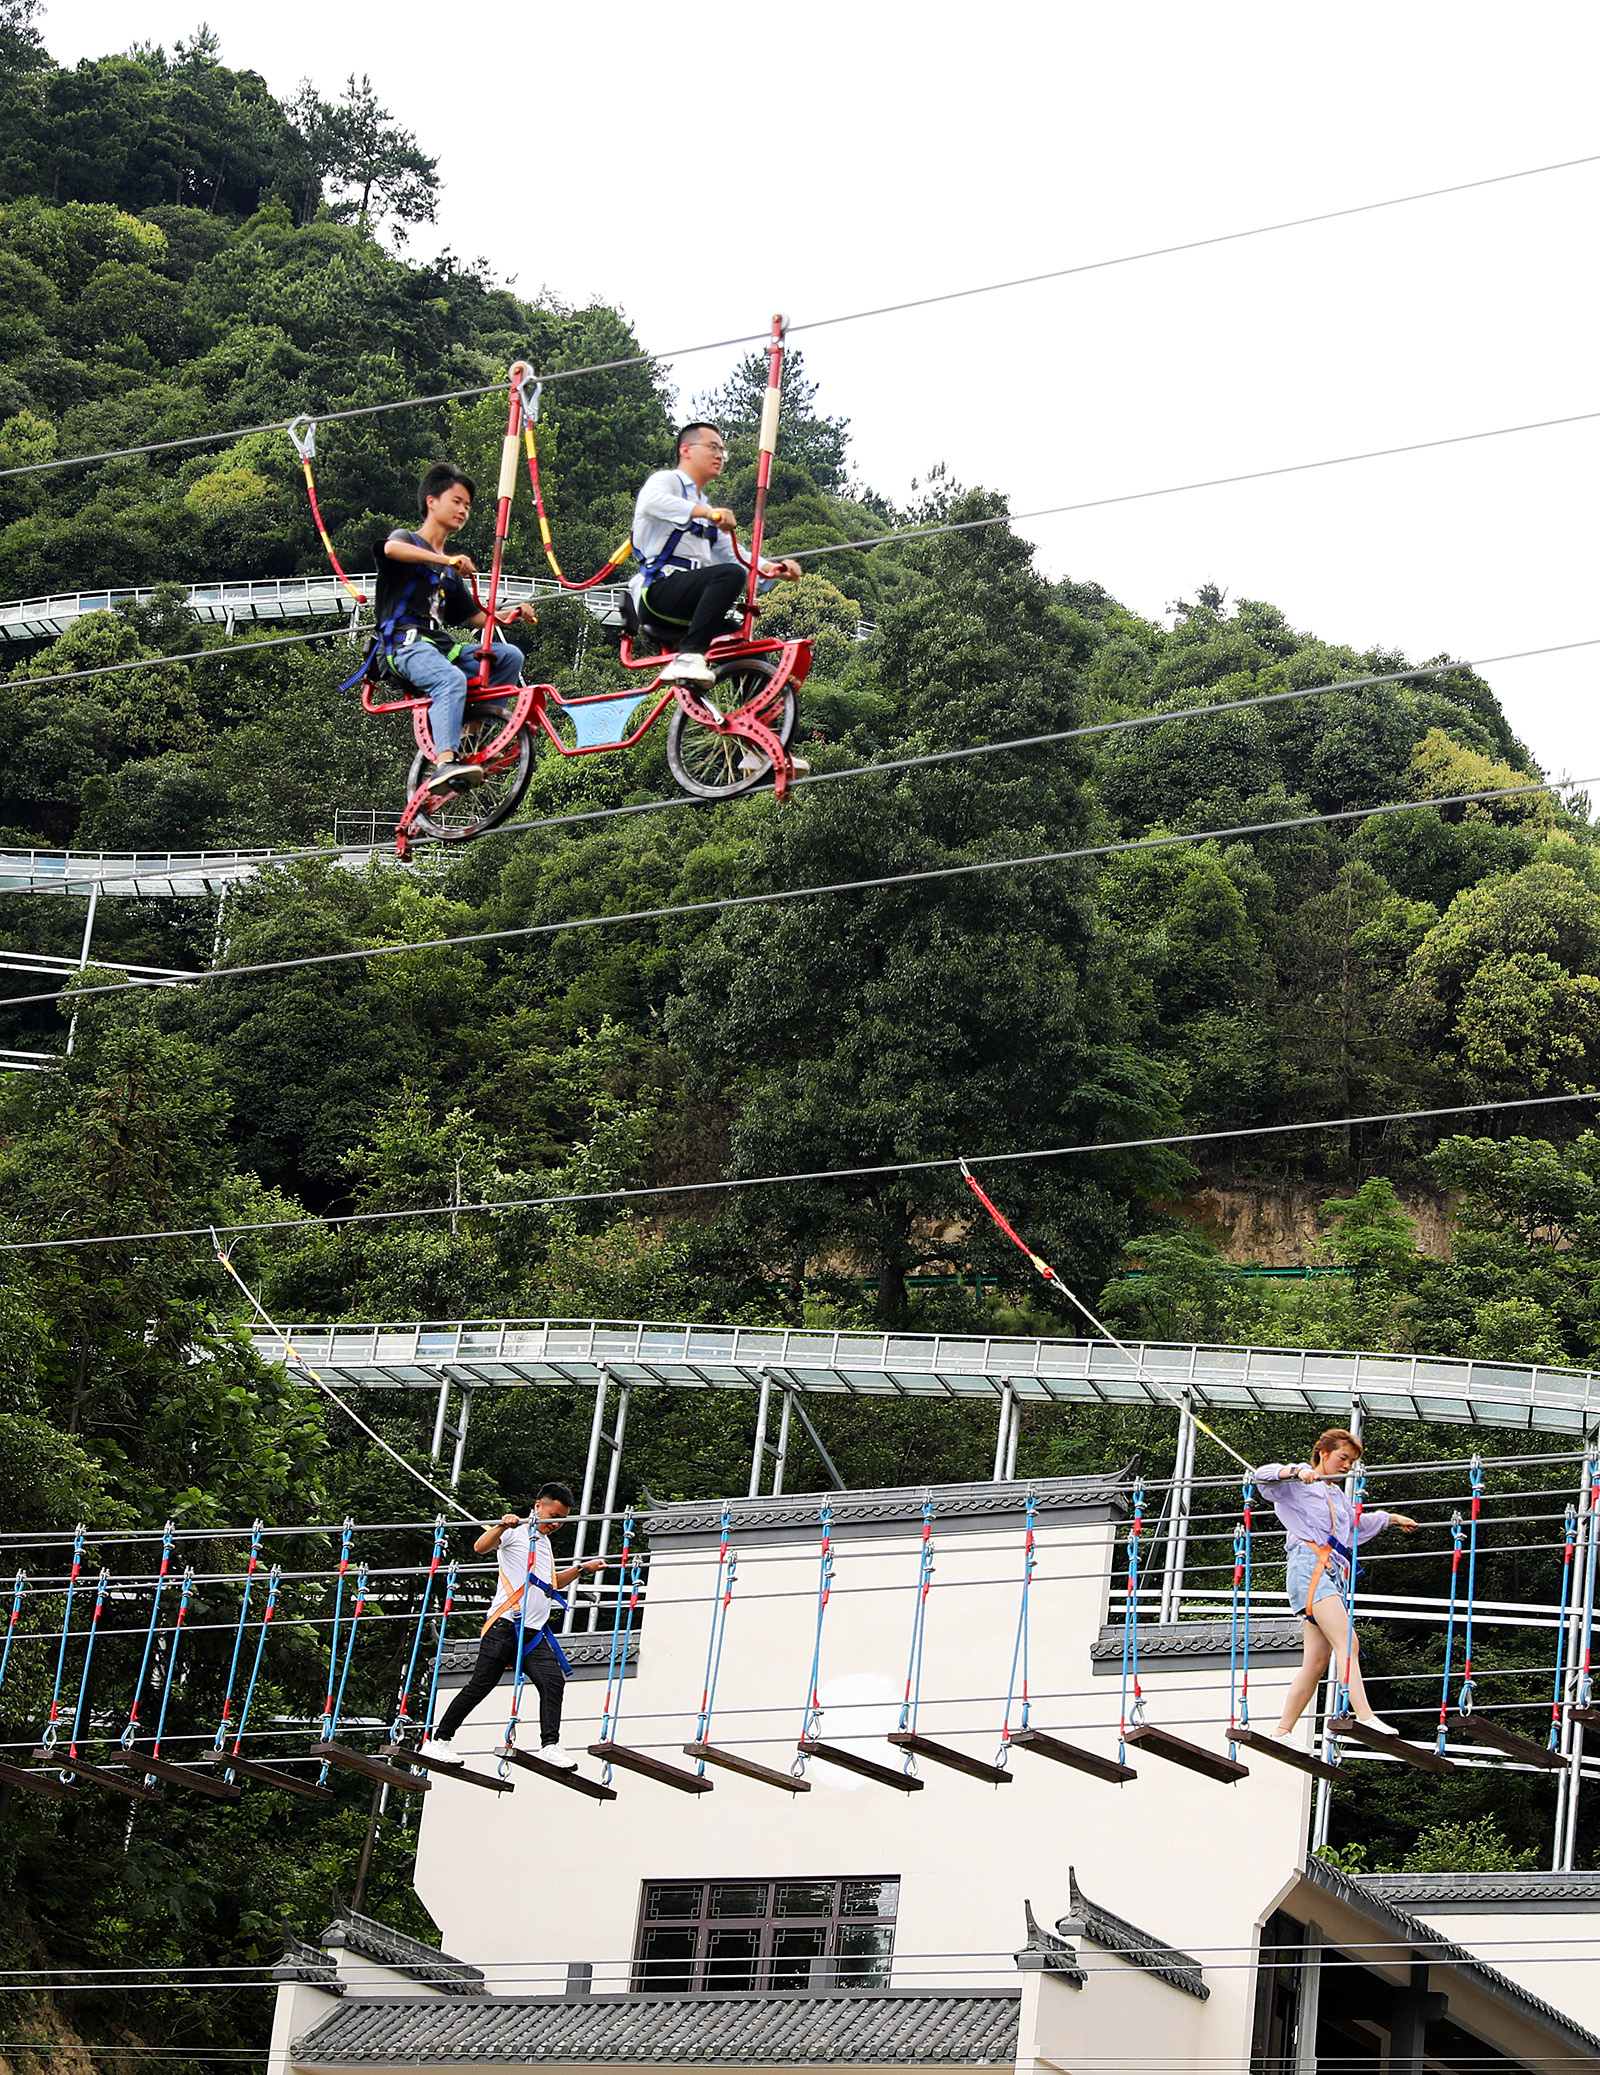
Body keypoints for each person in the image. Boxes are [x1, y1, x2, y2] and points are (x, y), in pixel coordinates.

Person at [376, 463, 539, 794]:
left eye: (467, 505)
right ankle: (444, 763)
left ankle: (472, 735)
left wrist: (512, 614)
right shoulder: (408, 541)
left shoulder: (450, 572)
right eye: (457, 501)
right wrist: (445, 560)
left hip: (437, 647)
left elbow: (477, 617)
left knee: (507, 657)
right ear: (432, 501)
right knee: (448, 679)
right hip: (404, 645)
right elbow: (389, 550)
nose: (463, 510)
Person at [422, 1483, 607, 1770]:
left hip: (533, 1633)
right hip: (506, 1625)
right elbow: (480, 1547)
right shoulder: (516, 1532)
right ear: (538, 1506)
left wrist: (582, 1568)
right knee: (480, 1685)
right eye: (553, 1514)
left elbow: (552, 1583)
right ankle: (438, 1741)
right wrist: (501, 1525)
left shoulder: (543, 1544)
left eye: (562, 1519)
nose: (556, 1523)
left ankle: (550, 1745)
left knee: (553, 1681)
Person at [1253, 1428, 1418, 1744]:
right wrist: (1297, 1472)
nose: (1347, 1466)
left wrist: (1391, 1519)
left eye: (1351, 1462)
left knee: (1315, 1662)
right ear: (1323, 1453)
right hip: (1309, 1569)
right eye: (1343, 1458)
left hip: (1330, 1575)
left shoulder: (1337, 1496)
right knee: (1348, 1643)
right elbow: (1262, 1478)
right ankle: (1366, 1717)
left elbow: (1355, 1528)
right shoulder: (1297, 1485)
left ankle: (1282, 1731)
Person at [629, 423, 802, 691]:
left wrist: (773, 569)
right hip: (659, 596)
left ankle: (756, 720)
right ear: (686, 450)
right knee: (727, 576)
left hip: (690, 603)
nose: (719, 455)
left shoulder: (707, 508)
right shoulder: (668, 481)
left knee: (744, 646)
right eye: (712, 447)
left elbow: (737, 556)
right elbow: (651, 501)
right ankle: (689, 657)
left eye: (722, 450)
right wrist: (706, 513)